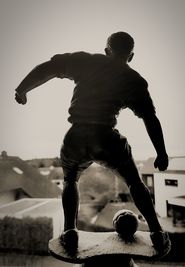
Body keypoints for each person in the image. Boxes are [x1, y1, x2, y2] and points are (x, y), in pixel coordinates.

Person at [15, 31, 171, 256]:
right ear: (131, 56)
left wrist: (22, 90)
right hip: (106, 137)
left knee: (70, 180)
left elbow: (47, 68)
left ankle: (70, 230)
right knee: (135, 182)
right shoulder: (134, 80)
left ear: (107, 50)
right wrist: (161, 152)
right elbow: (150, 118)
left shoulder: (86, 61)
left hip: (75, 137)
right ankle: (157, 232)